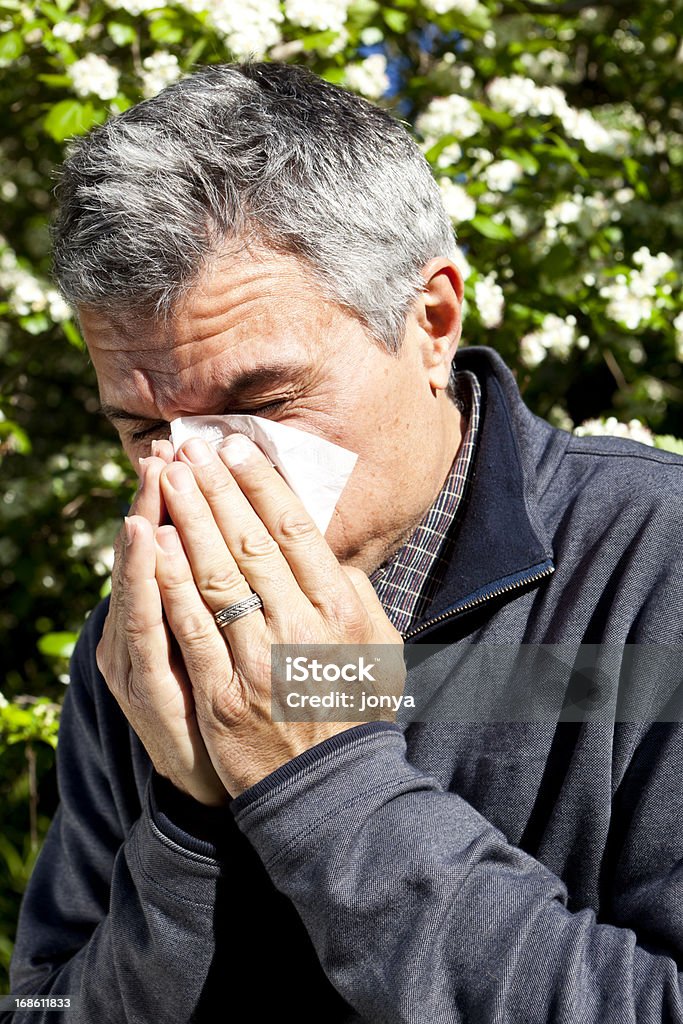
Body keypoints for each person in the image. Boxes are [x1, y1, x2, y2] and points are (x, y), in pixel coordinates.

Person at [7, 61, 683, 1024]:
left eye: (263, 403)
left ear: (433, 322)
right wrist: (189, 830)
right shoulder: (145, 643)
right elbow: (49, 1008)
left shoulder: (656, 571)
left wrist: (325, 781)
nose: (198, 475)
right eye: (146, 430)